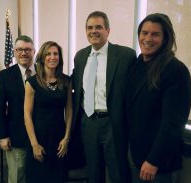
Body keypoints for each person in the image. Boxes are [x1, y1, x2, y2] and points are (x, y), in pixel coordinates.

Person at [125, 13, 191, 183]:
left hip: (155, 164)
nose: (148, 38)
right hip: (135, 155)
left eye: (155, 34)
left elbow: (173, 123)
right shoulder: (139, 63)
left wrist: (154, 160)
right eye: (144, 33)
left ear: (165, 38)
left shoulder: (175, 70)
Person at [71, 11, 137, 183]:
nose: (94, 31)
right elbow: (74, 85)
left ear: (108, 30)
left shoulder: (125, 56)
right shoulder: (80, 56)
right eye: (89, 28)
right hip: (88, 122)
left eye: (98, 27)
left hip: (113, 124)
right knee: (93, 171)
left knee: (118, 172)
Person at [24, 41, 72, 183]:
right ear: (42, 58)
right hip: (39, 138)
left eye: (55, 54)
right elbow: (27, 115)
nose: (52, 57)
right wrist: (34, 144)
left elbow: (69, 111)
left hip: (59, 139)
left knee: (58, 177)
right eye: (48, 54)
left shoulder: (67, 81)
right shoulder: (32, 82)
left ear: (60, 57)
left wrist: (66, 138)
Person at [0, 35, 35, 183]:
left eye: (27, 49)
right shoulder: (5, 75)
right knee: (17, 176)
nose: (23, 53)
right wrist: (2, 135)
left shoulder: (44, 72)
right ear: (14, 52)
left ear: (34, 51)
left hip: (42, 135)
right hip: (17, 136)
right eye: (19, 50)